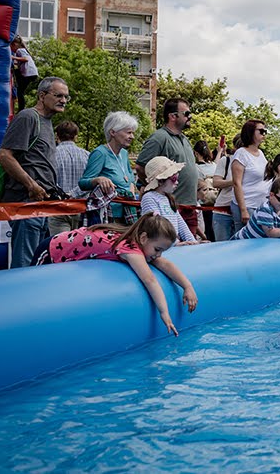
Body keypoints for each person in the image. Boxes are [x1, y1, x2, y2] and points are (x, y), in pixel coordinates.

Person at [35, 213, 197, 336]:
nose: (158, 255)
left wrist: (187, 286)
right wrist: (164, 312)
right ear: (143, 237)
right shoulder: (129, 249)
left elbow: (164, 264)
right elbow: (150, 279)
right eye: (158, 249)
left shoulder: (140, 244)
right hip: (51, 249)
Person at [0, 77, 66, 267]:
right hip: (26, 203)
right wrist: (31, 185)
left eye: (66, 97)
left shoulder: (47, 122)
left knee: (37, 263)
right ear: (42, 96)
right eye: (58, 95)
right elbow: (4, 156)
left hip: (42, 204)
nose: (64, 100)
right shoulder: (28, 117)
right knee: (24, 266)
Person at [135, 98, 201, 238]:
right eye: (187, 113)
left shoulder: (184, 139)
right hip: (169, 206)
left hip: (189, 206)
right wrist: (157, 189)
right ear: (172, 116)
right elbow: (141, 167)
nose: (190, 116)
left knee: (191, 249)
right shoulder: (159, 137)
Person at [79, 111, 139, 226]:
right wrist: (98, 180)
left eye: (132, 133)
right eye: (128, 132)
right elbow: (82, 183)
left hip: (128, 216)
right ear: (112, 132)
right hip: (108, 218)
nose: (132, 137)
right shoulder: (100, 153)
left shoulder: (124, 154)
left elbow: (130, 180)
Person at [139, 157, 198, 245]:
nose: (177, 182)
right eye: (173, 179)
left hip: (170, 244)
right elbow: (156, 227)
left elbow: (181, 224)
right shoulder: (149, 198)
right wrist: (175, 243)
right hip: (159, 246)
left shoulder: (168, 198)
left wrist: (193, 241)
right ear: (160, 181)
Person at [48, 120, 90, 236]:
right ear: (76, 137)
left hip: (58, 208)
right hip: (82, 208)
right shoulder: (88, 155)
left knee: (60, 246)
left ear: (57, 136)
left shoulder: (50, 155)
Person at [229, 119, 271, 233]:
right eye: (261, 131)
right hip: (247, 206)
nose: (264, 134)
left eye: (265, 131)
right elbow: (236, 183)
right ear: (250, 132)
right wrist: (243, 210)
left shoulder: (261, 153)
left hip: (260, 205)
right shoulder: (241, 153)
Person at [209, 135, 241, 241]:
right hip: (223, 211)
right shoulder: (226, 160)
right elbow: (216, 182)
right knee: (221, 246)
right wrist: (234, 182)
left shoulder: (253, 163)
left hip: (242, 211)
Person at [193, 140, 218, 240]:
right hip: (214, 200)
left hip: (202, 202)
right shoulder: (214, 166)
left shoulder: (196, 168)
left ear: (195, 153)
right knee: (213, 229)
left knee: (205, 228)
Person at [10, 36, 39, 111]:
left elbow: (25, 59)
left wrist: (13, 57)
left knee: (20, 91)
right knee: (20, 89)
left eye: (11, 46)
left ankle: (21, 109)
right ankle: (21, 107)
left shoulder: (20, 50)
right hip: (31, 74)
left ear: (15, 44)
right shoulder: (21, 51)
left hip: (29, 74)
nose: (10, 49)